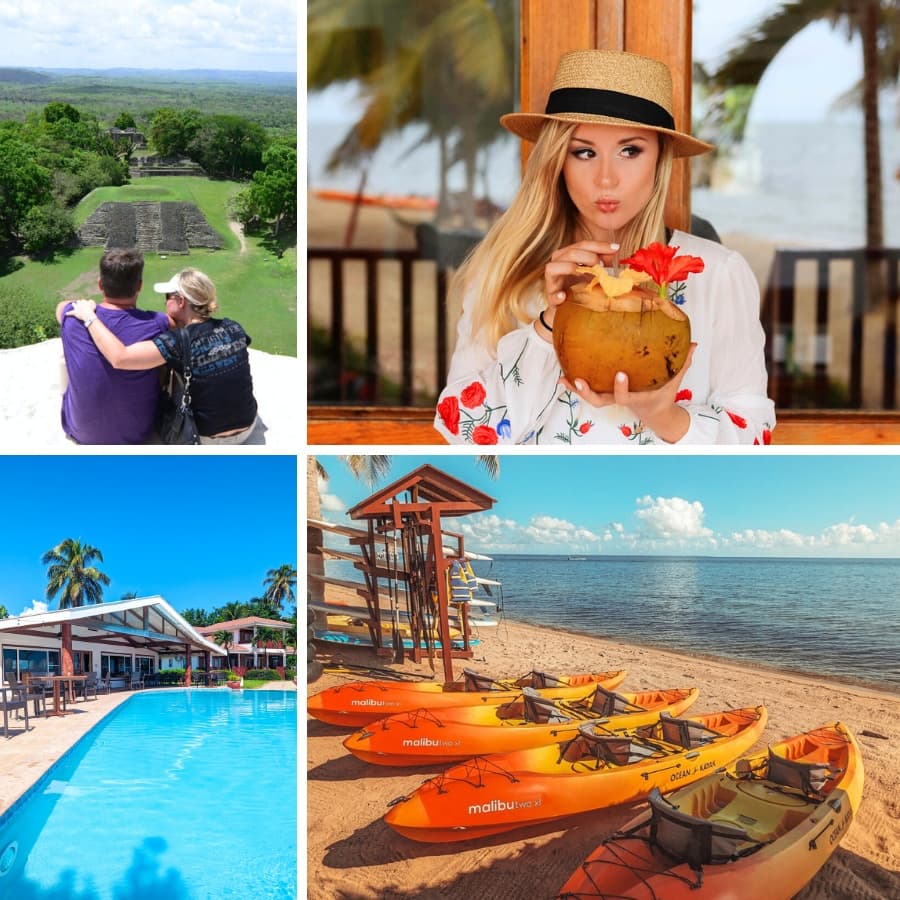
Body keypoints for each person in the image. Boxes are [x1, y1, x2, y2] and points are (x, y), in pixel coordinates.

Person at [434, 49, 775, 445]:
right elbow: (464, 432)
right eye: (584, 152)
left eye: (630, 151)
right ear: (558, 161)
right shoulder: (507, 272)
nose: (606, 179)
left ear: (660, 159)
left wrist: (664, 417)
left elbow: (753, 435)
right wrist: (549, 325)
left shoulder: (718, 274)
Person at [66, 268, 263, 444]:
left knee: (164, 371)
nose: (164, 301)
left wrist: (89, 316)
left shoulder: (177, 341)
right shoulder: (234, 326)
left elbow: (120, 358)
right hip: (247, 426)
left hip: (204, 438)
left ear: (181, 301)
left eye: (168, 296)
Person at [56, 248, 171, 444]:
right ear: (139, 286)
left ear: (100, 284)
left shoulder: (72, 316)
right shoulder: (156, 324)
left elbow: (60, 308)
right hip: (135, 435)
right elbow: (179, 324)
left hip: (82, 433)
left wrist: (82, 305)